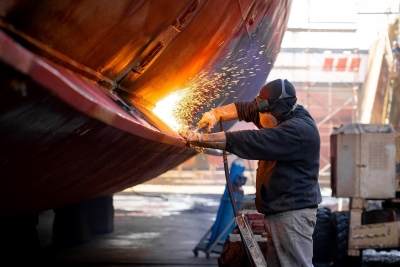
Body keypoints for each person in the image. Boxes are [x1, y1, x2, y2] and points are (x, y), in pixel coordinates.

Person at [179, 78, 322, 267]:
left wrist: (201, 139)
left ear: (275, 112)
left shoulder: (297, 131)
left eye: (263, 112)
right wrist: (215, 114)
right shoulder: (279, 115)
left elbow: (251, 140)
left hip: (292, 216)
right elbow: (245, 109)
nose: (258, 117)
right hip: (280, 212)